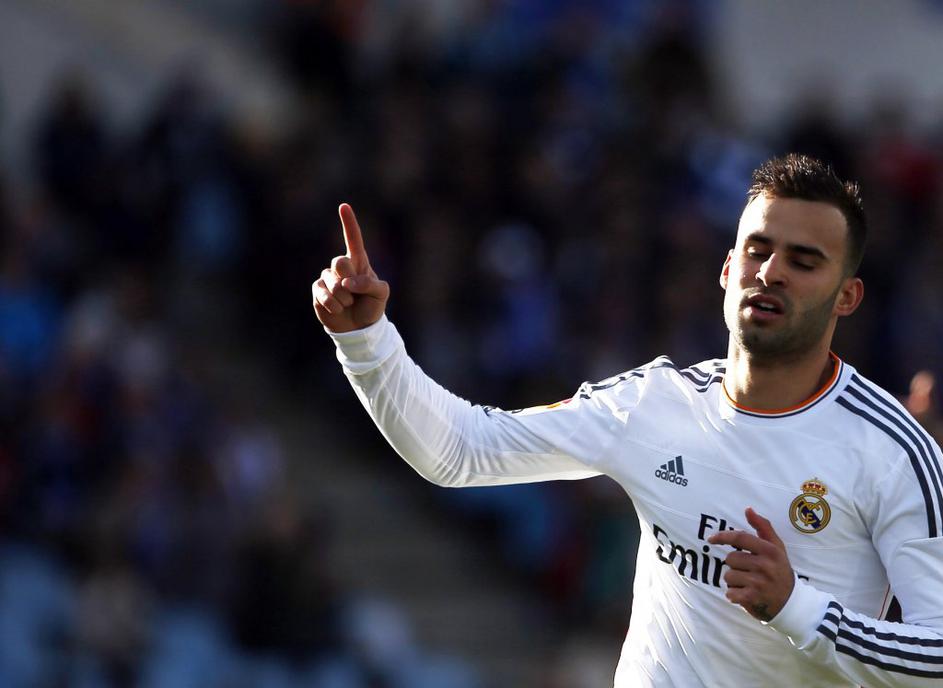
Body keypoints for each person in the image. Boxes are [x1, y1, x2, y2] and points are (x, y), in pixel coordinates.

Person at [313, 154, 943, 687]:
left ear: (847, 296)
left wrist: (796, 607)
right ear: (728, 270)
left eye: (804, 262)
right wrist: (367, 341)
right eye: (758, 250)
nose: (772, 272)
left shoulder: (892, 450)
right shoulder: (653, 404)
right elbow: (460, 452)